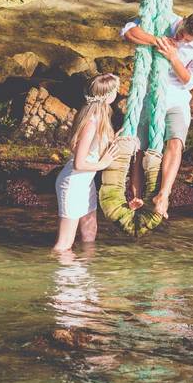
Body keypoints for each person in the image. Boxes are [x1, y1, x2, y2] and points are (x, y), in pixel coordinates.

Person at [121, 12, 193, 219]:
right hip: (148, 94)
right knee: (138, 148)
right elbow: (127, 31)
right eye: (181, 33)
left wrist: (172, 56)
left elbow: (189, 82)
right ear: (183, 21)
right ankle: (136, 195)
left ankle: (163, 195)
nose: (181, 39)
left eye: (187, 40)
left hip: (176, 97)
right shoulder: (164, 19)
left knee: (175, 142)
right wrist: (158, 41)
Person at [53, 73, 122, 252]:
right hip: (74, 182)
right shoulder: (91, 123)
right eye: (116, 90)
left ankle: (86, 273)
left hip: (85, 182)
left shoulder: (101, 118)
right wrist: (103, 163)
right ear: (107, 96)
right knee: (64, 244)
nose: (118, 92)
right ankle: (57, 276)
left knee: (90, 232)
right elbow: (79, 164)